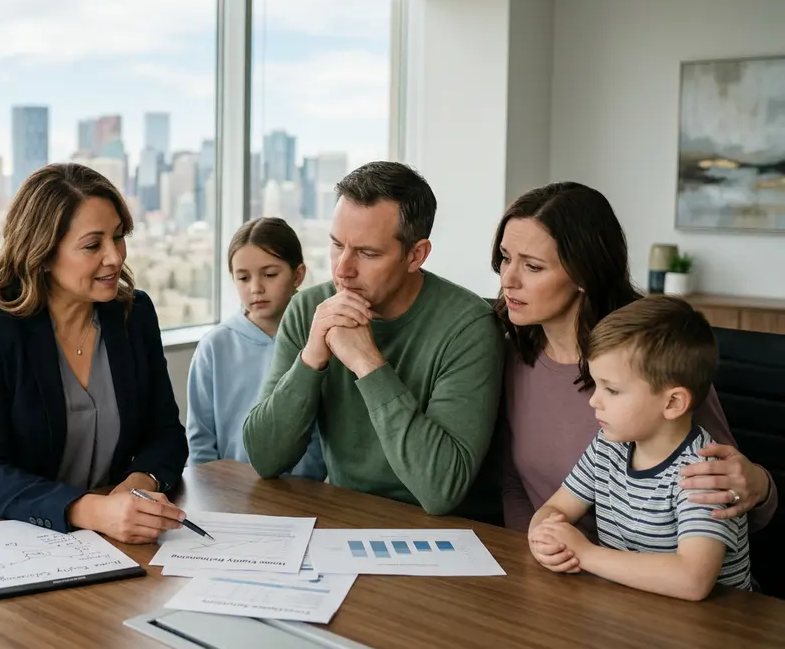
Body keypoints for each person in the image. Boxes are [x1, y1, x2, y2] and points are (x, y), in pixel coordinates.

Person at [494, 182, 777, 567]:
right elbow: (514, 483)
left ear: (583, 274)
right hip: (561, 576)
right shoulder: (511, 350)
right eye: (505, 258)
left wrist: (758, 485)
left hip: (662, 588)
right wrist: (537, 558)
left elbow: (729, 495)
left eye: (532, 266)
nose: (508, 279)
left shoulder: (652, 357)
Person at [0, 163, 189, 544]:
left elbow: (165, 434)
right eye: (93, 245)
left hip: (100, 541)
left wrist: (136, 485)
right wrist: (90, 510)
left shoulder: (133, 314)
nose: (115, 257)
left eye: (119, 236)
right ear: (43, 252)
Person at [242, 161, 504, 515]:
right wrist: (312, 358)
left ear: (416, 255)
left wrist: (368, 363)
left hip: (442, 536)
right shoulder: (309, 310)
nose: (342, 269)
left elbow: (441, 489)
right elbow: (264, 458)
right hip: (345, 518)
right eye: (337, 245)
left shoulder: (468, 327)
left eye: (367, 253)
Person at [528, 296, 753, 600]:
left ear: (672, 403)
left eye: (612, 389)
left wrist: (586, 553)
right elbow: (555, 508)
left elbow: (693, 580)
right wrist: (543, 537)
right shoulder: (608, 447)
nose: (594, 401)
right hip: (632, 611)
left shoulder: (704, 474)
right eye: (596, 385)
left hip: (714, 628)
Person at [186, 217, 326, 479]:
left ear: (298, 275)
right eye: (243, 278)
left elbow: (324, 434)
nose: (256, 288)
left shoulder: (319, 341)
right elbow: (200, 439)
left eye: (270, 274)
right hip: (229, 493)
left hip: (305, 493)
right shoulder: (214, 347)